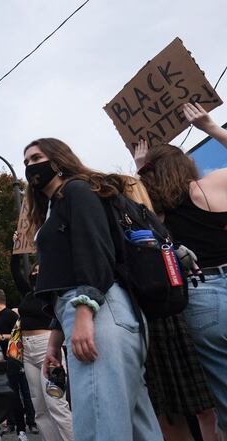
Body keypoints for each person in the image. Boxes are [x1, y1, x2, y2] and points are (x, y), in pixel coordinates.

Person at [22, 138, 163, 441]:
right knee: (138, 426)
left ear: (58, 160)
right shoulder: (57, 206)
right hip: (103, 312)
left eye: (36, 158)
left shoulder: (76, 189)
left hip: (100, 310)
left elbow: (94, 250)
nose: (30, 166)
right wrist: (53, 343)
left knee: (100, 423)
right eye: (26, 162)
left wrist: (85, 312)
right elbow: (62, 279)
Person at [134, 102, 227, 437]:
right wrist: (211, 128)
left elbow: (133, 210)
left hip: (202, 297)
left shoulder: (155, 210)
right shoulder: (210, 186)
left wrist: (140, 167)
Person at [106, 174, 219, 441]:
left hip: (151, 317)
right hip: (174, 316)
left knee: (169, 410)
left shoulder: (132, 225)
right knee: (200, 406)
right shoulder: (157, 224)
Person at [10, 253, 74, 441]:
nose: (35, 274)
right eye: (33, 271)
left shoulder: (54, 292)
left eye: (40, 271)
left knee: (56, 404)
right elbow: (15, 271)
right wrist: (16, 251)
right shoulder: (28, 294)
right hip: (28, 352)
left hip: (48, 346)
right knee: (39, 409)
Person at [0, 289, 33, 441]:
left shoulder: (11, 315)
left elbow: (18, 334)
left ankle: (21, 430)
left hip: (12, 359)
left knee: (14, 394)